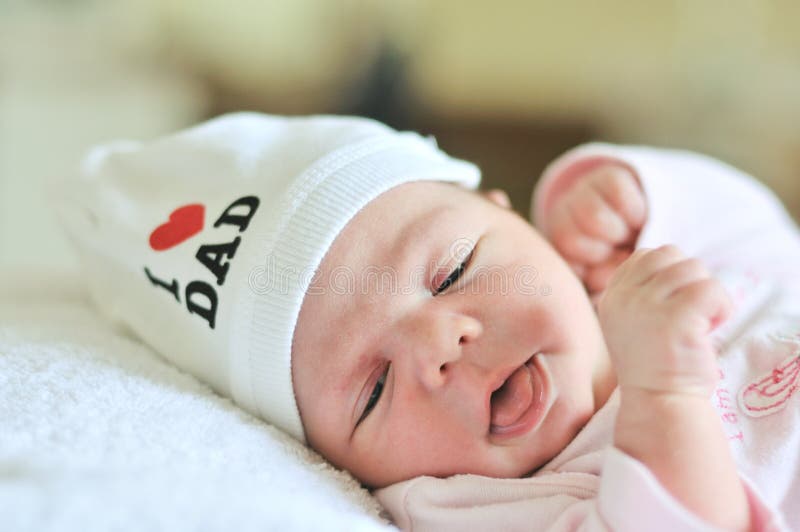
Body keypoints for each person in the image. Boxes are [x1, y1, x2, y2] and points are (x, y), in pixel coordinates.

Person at [54, 113, 800, 531]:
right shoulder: (483, 504)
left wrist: (635, 194)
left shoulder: (641, 275)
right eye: (373, 390)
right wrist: (664, 392)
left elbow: (771, 240)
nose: (440, 346)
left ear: (512, 216)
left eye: (451, 273)